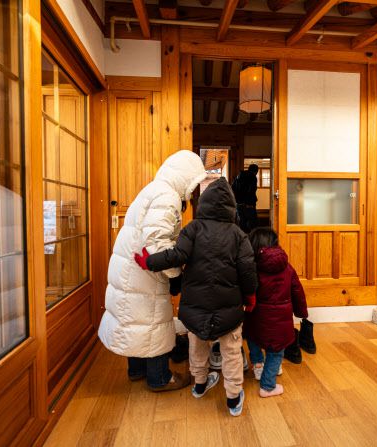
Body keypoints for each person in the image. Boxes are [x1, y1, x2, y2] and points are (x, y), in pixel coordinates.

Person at [134, 178, 258, 416]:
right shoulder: (238, 234)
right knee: (232, 352)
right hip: (229, 307)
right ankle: (233, 398)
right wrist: (250, 296)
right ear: (231, 207)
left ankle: (199, 385)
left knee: (197, 346)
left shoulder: (193, 228)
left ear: (204, 203)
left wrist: (149, 262)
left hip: (195, 306)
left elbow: (176, 255)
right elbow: (247, 270)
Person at [97, 150, 207, 392]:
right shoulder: (167, 196)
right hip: (144, 269)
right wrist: (176, 275)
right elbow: (157, 244)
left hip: (130, 267)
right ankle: (159, 378)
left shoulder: (153, 189)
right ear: (185, 177)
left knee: (134, 317)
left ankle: (136, 370)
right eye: (193, 184)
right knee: (152, 319)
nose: (193, 191)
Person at [243, 228, 308, 397]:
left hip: (256, 316)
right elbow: (297, 291)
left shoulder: (252, 267)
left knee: (253, 338)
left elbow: (245, 290)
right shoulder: (287, 267)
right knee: (276, 351)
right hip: (280, 321)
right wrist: (301, 312)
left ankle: (258, 365)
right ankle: (268, 386)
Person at [232, 163, 259, 233]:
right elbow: (252, 190)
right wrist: (248, 202)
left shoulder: (238, 176)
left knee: (242, 221)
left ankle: (242, 236)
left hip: (239, 203)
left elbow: (233, 188)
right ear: (255, 171)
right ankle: (252, 237)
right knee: (252, 222)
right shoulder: (252, 176)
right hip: (249, 203)